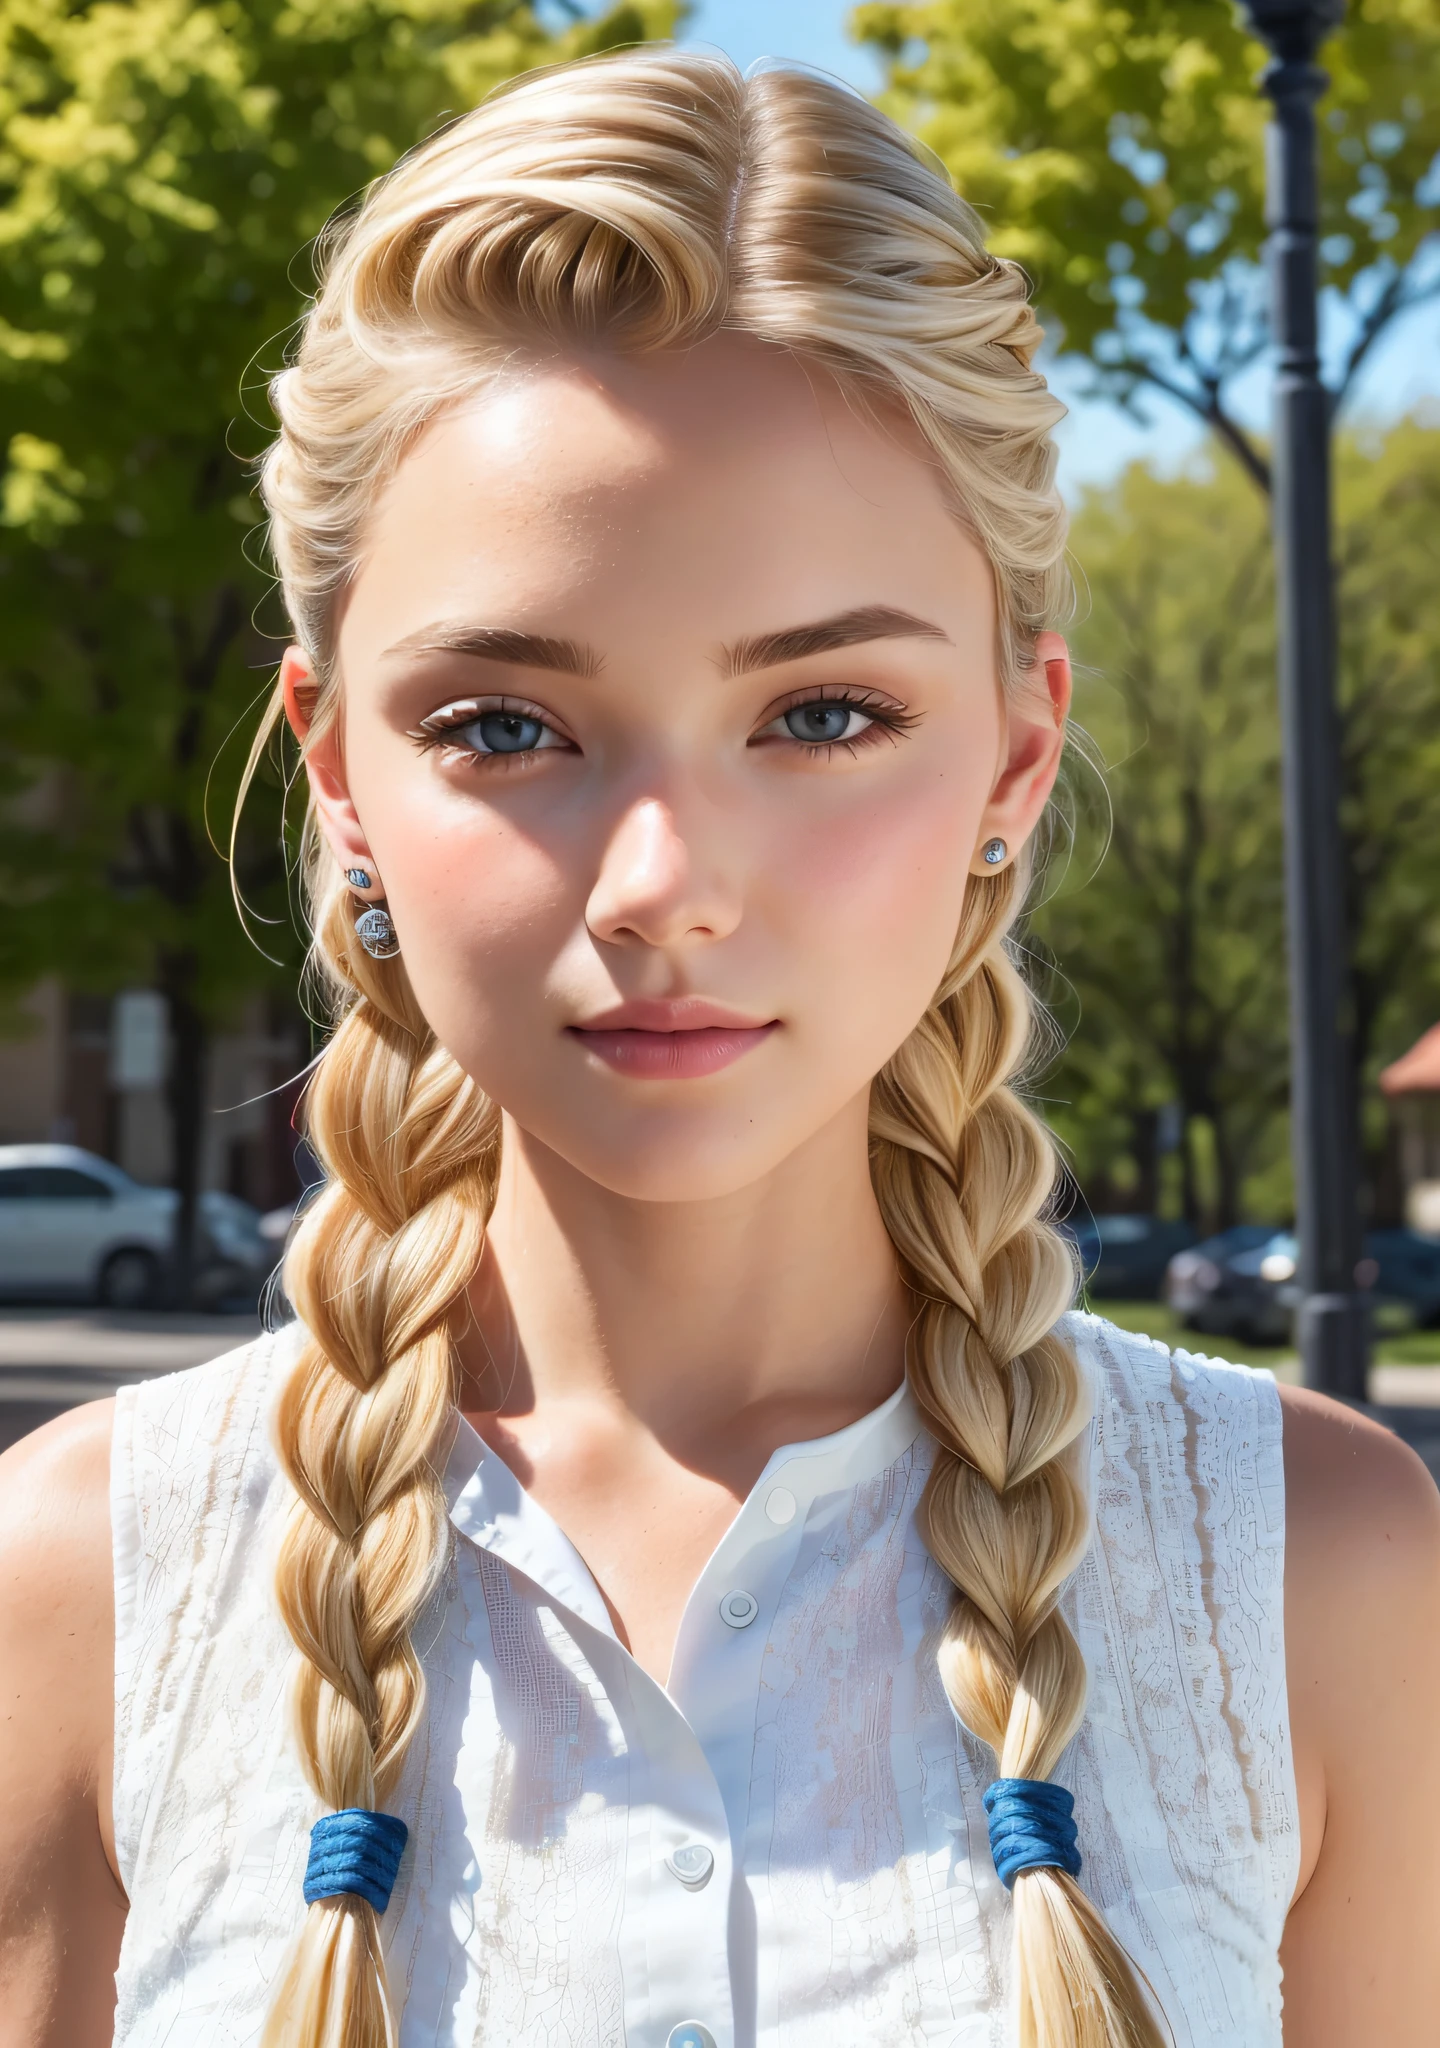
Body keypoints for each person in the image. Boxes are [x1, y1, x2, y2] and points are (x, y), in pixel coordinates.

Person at [1, 47, 1437, 2048]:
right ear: (335, 772)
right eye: (507, 723)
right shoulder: (78, 1592)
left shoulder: (1321, 1575)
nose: (663, 882)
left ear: (1015, 757)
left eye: (825, 712)